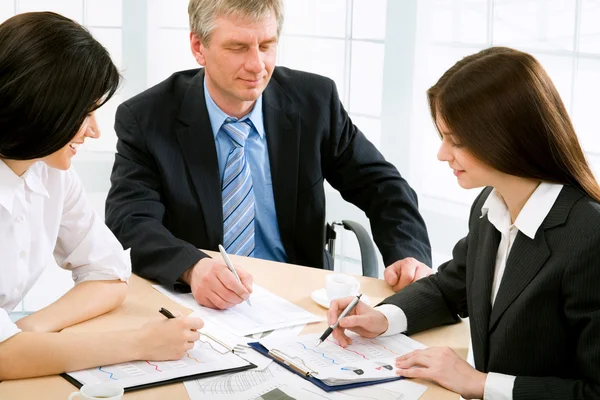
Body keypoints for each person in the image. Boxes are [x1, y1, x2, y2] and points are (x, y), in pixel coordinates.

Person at [105, 0, 433, 310]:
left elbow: (383, 187)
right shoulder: (148, 118)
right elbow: (129, 221)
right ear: (198, 47)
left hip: (300, 299)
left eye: (266, 46)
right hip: (199, 299)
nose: (257, 65)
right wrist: (191, 268)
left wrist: (408, 256)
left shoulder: (314, 103)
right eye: (237, 47)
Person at [327, 47, 600, 400]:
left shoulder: (589, 237)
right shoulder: (492, 207)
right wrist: (382, 318)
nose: (442, 153)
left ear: (508, 137)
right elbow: (448, 288)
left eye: (455, 140)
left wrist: (478, 383)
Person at [0, 12, 203, 381]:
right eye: (85, 113)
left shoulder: (50, 171)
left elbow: (109, 274)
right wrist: (139, 343)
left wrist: (28, 330)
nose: (94, 130)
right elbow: (3, 361)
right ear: (40, 105)